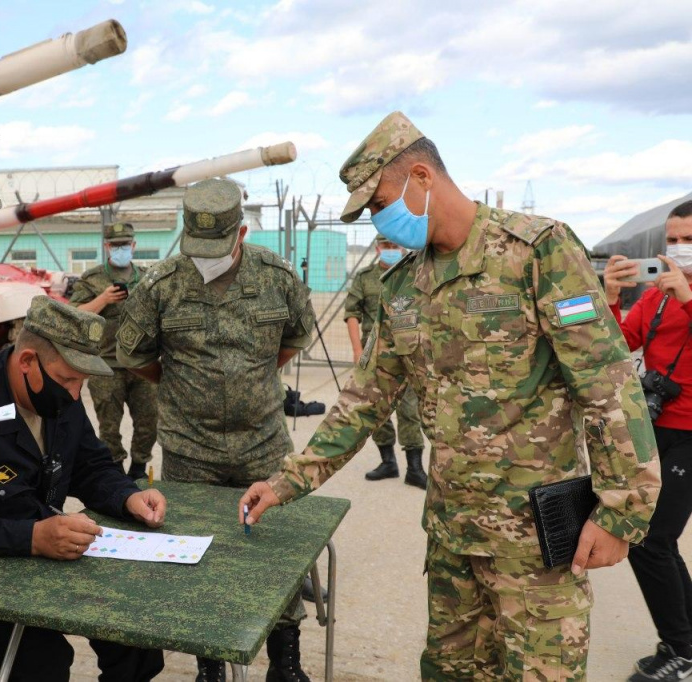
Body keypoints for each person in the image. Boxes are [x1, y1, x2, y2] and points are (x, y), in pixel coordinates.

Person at [239, 111, 661, 681]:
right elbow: (364, 397)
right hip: (452, 535)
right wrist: (289, 480)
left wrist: (621, 512)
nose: (376, 219)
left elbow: (608, 387)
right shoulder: (404, 284)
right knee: (449, 674)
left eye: (378, 202)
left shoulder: (536, 251)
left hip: (532, 544)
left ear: (421, 175)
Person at [0, 296, 167, 682]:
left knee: (133, 630)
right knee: (41, 659)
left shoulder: (59, 397)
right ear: (27, 362)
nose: (76, 395)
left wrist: (127, 496)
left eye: (83, 382)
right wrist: (33, 537)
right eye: (69, 381)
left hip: (27, 572)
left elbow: (91, 466)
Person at [117, 177, 316, 682]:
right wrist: (184, 388)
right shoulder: (161, 285)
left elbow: (294, 335)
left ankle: (285, 658)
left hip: (263, 441)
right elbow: (133, 354)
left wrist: (255, 380)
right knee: (196, 550)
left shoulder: (277, 276)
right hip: (190, 448)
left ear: (242, 234)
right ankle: (210, 664)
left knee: (273, 547)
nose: (204, 258)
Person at [604, 201, 692, 682]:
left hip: (690, 434)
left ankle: (679, 650)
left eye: (688, 238)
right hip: (655, 426)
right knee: (661, 540)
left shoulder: (677, 292)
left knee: (649, 541)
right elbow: (621, 343)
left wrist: (686, 297)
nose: (679, 248)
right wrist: (613, 297)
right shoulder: (656, 294)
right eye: (673, 239)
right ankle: (688, 639)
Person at [70, 221, 158, 480]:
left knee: (148, 423)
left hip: (143, 365)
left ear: (134, 245)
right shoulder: (92, 279)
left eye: (125, 245)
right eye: (115, 245)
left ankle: (139, 468)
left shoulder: (147, 278)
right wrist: (103, 300)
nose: (121, 249)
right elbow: (73, 314)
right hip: (105, 366)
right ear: (107, 246)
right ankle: (116, 471)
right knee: (109, 426)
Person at [344, 238, 426, 488]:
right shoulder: (365, 277)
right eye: (385, 245)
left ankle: (415, 468)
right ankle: (388, 462)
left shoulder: (412, 273)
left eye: (394, 245)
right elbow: (351, 313)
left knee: (409, 409)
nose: (390, 250)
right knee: (376, 410)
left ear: (401, 246)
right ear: (378, 247)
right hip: (375, 353)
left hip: (407, 351)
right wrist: (358, 350)